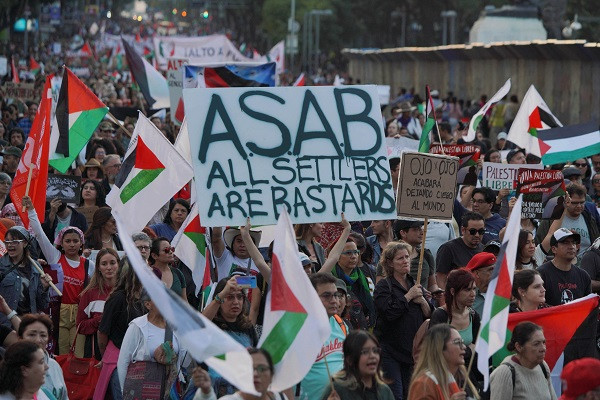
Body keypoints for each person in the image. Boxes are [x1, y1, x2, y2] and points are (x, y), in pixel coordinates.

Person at [24, 195, 92, 355]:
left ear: (81, 243)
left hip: (80, 314)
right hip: (57, 312)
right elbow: (40, 235)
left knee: (78, 353)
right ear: (61, 243)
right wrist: (31, 210)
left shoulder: (89, 265)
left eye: (75, 241)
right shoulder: (55, 257)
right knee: (60, 353)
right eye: (68, 241)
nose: (72, 244)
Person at [374, 242, 432, 400]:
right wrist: (408, 296)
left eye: (407, 257)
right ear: (390, 263)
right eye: (400, 258)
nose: (405, 260)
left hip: (412, 354)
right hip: (390, 352)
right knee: (396, 395)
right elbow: (389, 313)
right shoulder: (384, 287)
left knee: (412, 395)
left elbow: (429, 316)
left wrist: (423, 302)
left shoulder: (415, 284)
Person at [117, 290, 186, 399]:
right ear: (148, 304)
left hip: (168, 389)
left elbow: (183, 360)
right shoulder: (138, 326)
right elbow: (123, 361)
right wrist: (124, 392)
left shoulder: (175, 327)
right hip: (140, 390)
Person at [96, 261, 146, 400]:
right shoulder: (117, 298)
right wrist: (105, 356)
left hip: (139, 359)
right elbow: (102, 332)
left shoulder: (144, 299)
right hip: (117, 360)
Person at [202, 277, 257, 396]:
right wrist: (222, 293)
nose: (236, 302)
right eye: (230, 297)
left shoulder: (247, 327)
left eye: (239, 297)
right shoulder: (212, 326)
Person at [301, 273, 347, 400]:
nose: (334, 300)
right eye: (327, 296)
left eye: (336, 295)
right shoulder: (299, 329)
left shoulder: (341, 324)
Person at [490, 322, 556, 400]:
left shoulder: (542, 366)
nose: (543, 348)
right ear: (519, 347)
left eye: (543, 342)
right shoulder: (505, 373)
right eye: (536, 344)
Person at [320, 330, 394, 400]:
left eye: (375, 351)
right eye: (365, 352)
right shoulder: (337, 389)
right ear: (350, 359)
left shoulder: (384, 391)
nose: (372, 356)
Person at [0, 226, 50, 328]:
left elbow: (42, 305)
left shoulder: (36, 267)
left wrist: (44, 288)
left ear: (25, 243)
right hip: (6, 325)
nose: (10, 245)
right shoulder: (1, 266)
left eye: (14, 241)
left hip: (29, 324)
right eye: (7, 242)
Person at [192, 348, 289, 400]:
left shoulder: (280, 397)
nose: (255, 374)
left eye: (262, 369)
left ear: (271, 375)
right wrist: (206, 393)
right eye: (249, 368)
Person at [77, 248, 120, 359]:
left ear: (119, 265)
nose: (109, 268)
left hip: (121, 349)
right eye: (104, 264)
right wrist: (100, 320)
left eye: (112, 263)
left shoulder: (126, 291)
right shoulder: (89, 293)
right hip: (94, 352)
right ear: (98, 268)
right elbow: (80, 326)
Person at [408, 324, 469, 400]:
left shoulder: (461, 379)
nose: (464, 347)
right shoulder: (424, 384)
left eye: (462, 342)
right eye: (457, 342)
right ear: (439, 348)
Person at [536, 184, 600, 257]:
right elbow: (541, 243)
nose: (579, 206)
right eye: (574, 203)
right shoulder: (552, 219)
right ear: (566, 201)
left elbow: (596, 243)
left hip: (585, 265)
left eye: (582, 202)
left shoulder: (588, 218)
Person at [17, 314, 68, 400]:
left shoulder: (54, 365)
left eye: (43, 335)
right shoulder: (13, 367)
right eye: (32, 335)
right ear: (20, 338)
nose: (38, 340)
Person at [538, 228, 591, 305]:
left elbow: (588, 307)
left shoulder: (583, 276)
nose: (571, 247)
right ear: (554, 249)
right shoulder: (541, 274)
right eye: (566, 243)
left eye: (573, 243)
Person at [436, 212, 485, 289]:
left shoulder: (484, 250)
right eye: (473, 231)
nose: (477, 235)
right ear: (463, 230)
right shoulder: (448, 249)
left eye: (481, 231)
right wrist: (444, 300)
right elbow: (440, 278)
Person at [392, 220, 438, 291]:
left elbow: (432, 284)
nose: (422, 232)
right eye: (416, 229)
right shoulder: (390, 256)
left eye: (421, 228)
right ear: (403, 233)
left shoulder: (426, 255)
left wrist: (437, 293)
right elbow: (381, 288)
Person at [464, 252, 496, 317]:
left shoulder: (501, 294)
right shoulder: (466, 297)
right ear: (477, 273)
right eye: (490, 270)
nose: (495, 273)